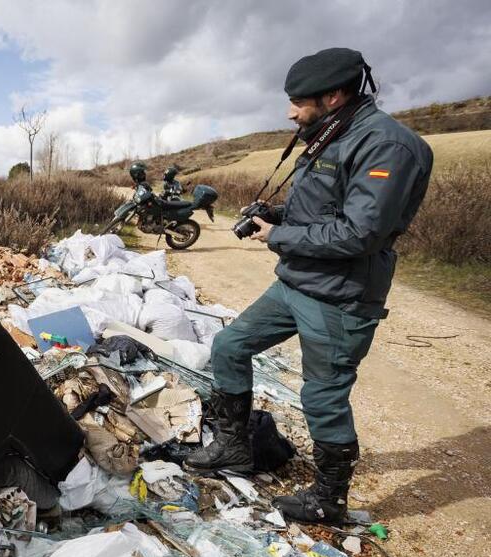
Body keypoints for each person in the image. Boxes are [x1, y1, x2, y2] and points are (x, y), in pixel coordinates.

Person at [185, 48, 433, 524]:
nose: (290, 112)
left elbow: (361, 232)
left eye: (298, 102)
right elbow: (325, 209)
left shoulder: (387, 146)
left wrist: (277, 235)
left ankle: (329, 499)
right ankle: (233, 450)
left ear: (334, 95)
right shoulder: (329, 134)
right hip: (296, 282)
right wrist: (276, 214)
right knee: (230, 345)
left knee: (322, 396)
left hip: (341, 295)